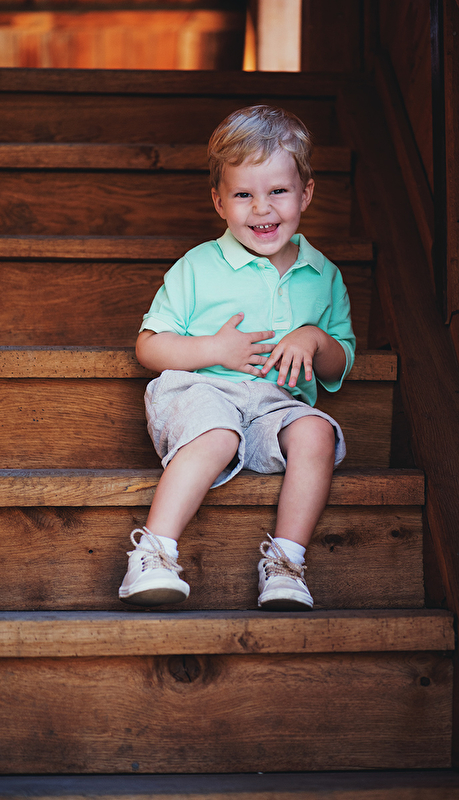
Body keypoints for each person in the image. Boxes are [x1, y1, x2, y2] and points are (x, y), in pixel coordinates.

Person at [119, 104, 355, 611]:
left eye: (278, 191)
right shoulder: (198, 266)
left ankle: (286, 563)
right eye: (244, 194)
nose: (262, 209)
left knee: (316, 432)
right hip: (200, 391)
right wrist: (213, 350)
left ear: (306, 194)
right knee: (218, 435)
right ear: (219, 202)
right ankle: (154, 553)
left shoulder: (324, 275)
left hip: (275, 404)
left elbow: (340, 364)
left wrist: (314, 338)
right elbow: (149, 346)